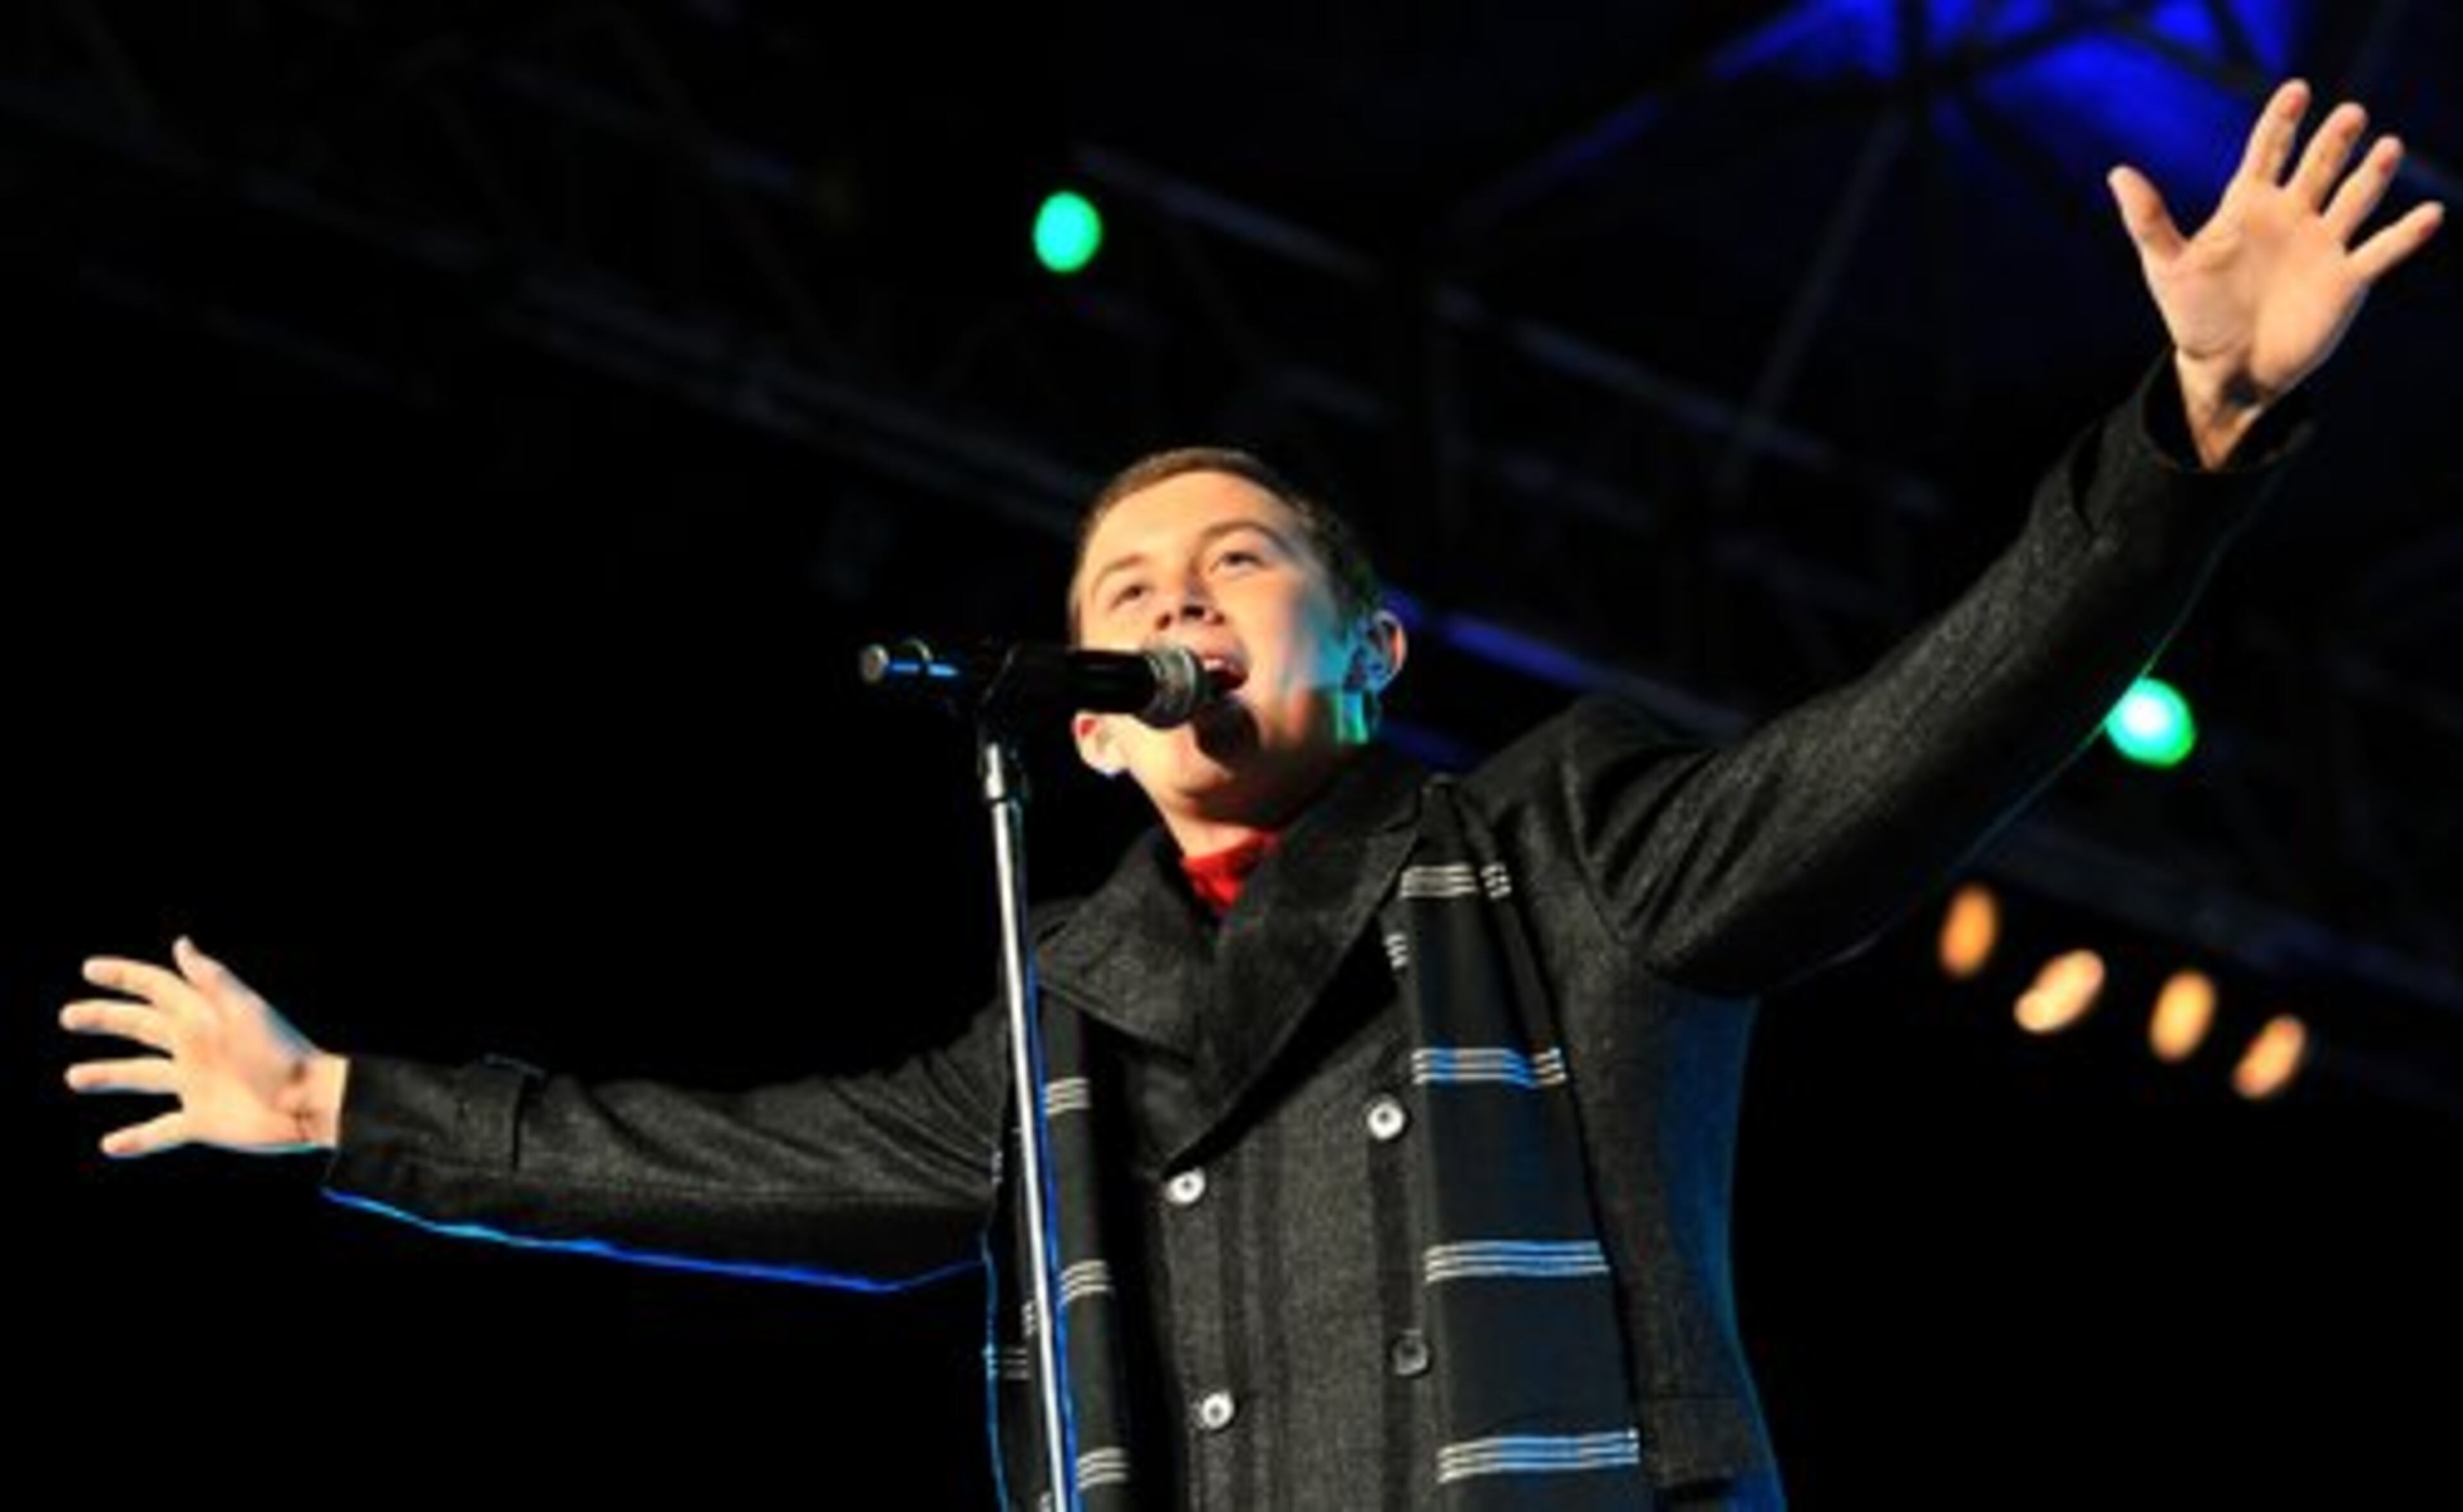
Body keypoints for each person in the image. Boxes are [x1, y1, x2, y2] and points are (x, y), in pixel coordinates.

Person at [58, 78, 2442, 1509]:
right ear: (1085, 713)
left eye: (1239, 558)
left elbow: (1925, 734)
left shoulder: (1563, 858)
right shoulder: (1057, 1025)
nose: (1182, 593)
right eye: (1133, 579)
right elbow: (714, 1158)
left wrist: (2190, 443)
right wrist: (343, 1106)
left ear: (1367, 645)